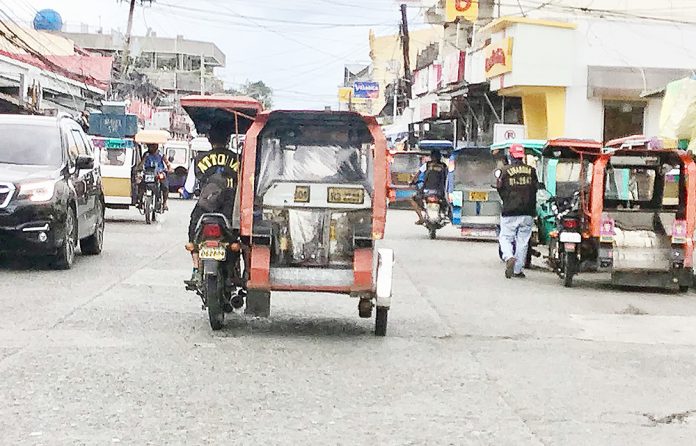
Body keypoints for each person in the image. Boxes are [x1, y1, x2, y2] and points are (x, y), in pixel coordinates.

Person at [184, 125, 239, 285]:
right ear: (228, 140)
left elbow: (188, 189)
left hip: (205, 208)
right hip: (230, 208)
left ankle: (195, 270)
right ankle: (238, 271)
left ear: (209, 140)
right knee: (238, 240)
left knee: (193, 233)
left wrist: (187, 193)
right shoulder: (238, 159)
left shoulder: (199, 159)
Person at [496, 143, 539, 279]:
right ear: (522, 156)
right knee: (523, 241)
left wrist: (506, 199)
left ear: (511, 155)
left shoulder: (504, 170)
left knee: (505, 237)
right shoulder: (531, 170)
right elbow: (536, 188)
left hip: (510, 210)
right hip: (527, 211)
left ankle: (509, 256)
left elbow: (499, 188)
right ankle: (517, 270)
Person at [410, 150, 448, 225]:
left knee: (412, 199)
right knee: (447, 203)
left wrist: (412, 182)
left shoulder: (427, 165)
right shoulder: (444, 166)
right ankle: (444, 215)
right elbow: (447, 178)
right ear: (440, 157)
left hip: (426, 191)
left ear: (431, 157)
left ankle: (421, 218)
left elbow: (417, 175)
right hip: (440, 192)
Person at [137, 143, 172, 210]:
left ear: (157, 146)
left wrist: (169, 169)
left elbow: (167, 164)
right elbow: (141, 165)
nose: (151, 147)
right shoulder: (146, 154)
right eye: (150, 146)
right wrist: (143, 160)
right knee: (141, 185)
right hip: (148, 173)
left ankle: (164, 203)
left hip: (159, 173)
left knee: (165, 186)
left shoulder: (161, 154)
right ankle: (140, 201)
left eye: (153, 146)